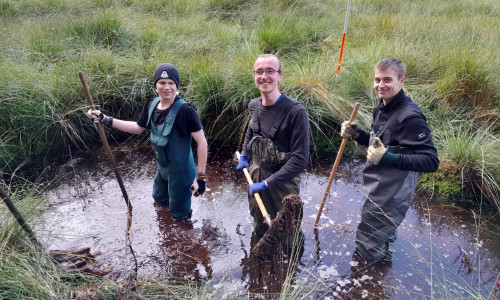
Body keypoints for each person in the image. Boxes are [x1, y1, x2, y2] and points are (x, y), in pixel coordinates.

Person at [341, 58, 439, 262]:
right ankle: (382, 260)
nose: (380, 85)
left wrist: (389, 158)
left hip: (395, 188)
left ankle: (369, 278)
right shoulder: (382, 106)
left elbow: (431, 161)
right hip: (378, 182)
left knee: (369, 236)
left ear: (401, 81)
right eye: (377, 80)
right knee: (381, 229)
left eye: (387, 80)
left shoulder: (410, 117)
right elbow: (380, 143)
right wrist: (358, 134)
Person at [87, 63, 208, 221]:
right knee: (159, 200)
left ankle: (184, 239)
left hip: (181, 173)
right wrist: (107, 119)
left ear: (176, 85)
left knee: (180, 215)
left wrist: (201, 177)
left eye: (171, 83)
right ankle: (166, 233)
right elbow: (138, 128)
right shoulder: (151, 105)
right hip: (163, 169)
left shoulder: (186, 111)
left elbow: (202, 142)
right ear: (156, 85)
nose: (167, 87)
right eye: (162, 83)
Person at [236, 54, 310, 238]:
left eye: (270, 71)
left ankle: (289, 264)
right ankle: (260, 261)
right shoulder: (254, 105)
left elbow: (300, 160)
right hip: (256, 173)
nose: (264, 76)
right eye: (259, 72)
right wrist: (245, 155)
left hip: (283, 182)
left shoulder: (296, 111)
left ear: (279, 76)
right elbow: (252, 131)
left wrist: (268, 183)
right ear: (254, 75)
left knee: (287, 232)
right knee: (260, 225)